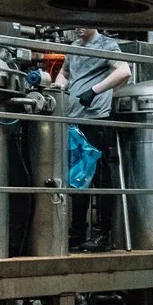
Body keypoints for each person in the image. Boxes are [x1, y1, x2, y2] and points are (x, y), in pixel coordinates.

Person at [52, 26, 131, 251]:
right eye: (76, 23)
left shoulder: (106, 45)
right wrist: (57, 90)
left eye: (84, 22)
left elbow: (124, 71)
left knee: (99, 176)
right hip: (73, 118)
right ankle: (77, 232)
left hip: (96, 119)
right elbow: (65, 74)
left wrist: (94, 90)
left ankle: (101, 234)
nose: (79, 27)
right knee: (77, 176)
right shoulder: (74, 48)